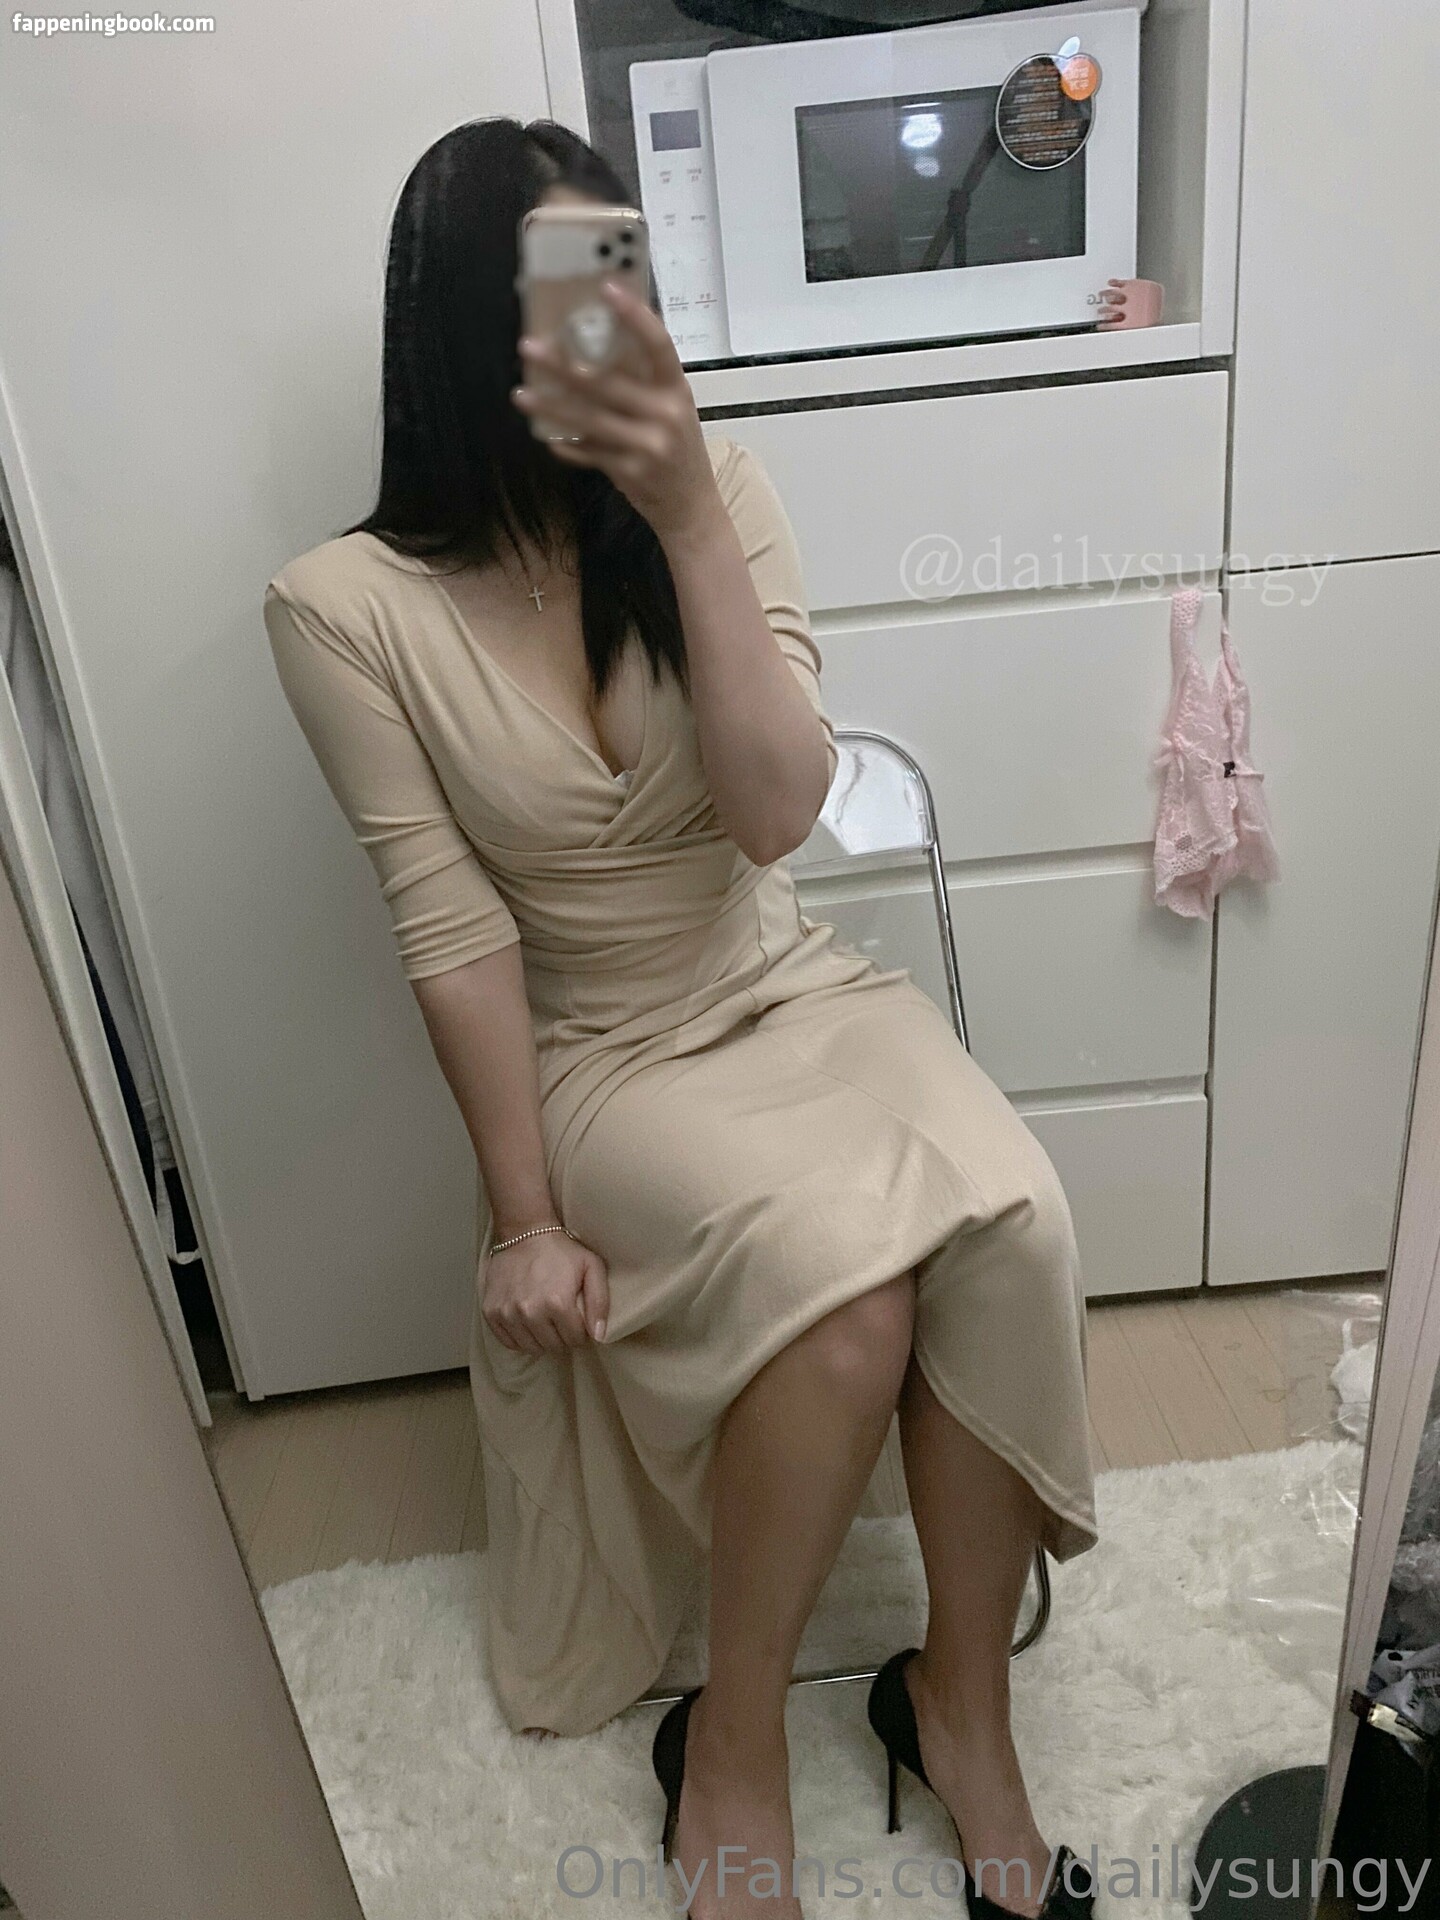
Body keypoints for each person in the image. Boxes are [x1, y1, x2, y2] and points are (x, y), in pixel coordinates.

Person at [263, 116, 1098, 1920]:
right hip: (605, 1049)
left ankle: (961, 1705)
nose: (613, 329)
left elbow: (779, 816)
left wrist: (690, 513)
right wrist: (525, 1217)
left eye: (624, 282)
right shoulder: (342, 609)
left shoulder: (717, 495)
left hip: (783, 979)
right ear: (466, 329)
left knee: (1015, 1220)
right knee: (848, 1306)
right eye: (568, 292)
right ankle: (731, 1742)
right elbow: (449, 925)